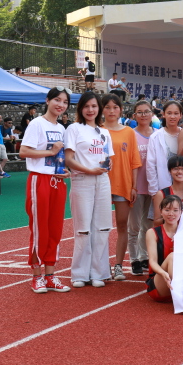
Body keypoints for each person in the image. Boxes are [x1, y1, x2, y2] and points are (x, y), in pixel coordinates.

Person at [19, 87, 72, 293]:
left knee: (55, 228)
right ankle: (37, 276)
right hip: (39, 180)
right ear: (48, 100)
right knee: (40, 228)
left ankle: (50, 275)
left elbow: (59, 157)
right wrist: (50, 152)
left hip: (57, 181)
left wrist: (64, 171)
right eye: (57, 100)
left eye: (65, 102)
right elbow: (24, 151)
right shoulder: (36, 123)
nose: (61, 105)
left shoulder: (62, 128)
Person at [64, 92, 115, 288]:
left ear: (99, 108)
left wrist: (106, 165)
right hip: (82, 180)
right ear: (80, 108)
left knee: (102, 227)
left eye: (94, 106)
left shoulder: (104, 132)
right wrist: (89, 170)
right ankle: (80, 273)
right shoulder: (74, 129)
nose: (90, 110)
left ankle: (99, 272)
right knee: (83, 228)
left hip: (102, 181)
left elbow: (108, 157)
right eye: (86, 106)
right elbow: (69, 160)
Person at [102, 93, 142, 282]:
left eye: (115, 107)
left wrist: (134, 186)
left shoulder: (129, 132)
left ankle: (118, 265)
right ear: (102, 110)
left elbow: (135, 162)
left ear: (120, 110)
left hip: (123, 184)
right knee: (100, 228)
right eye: (107, 107)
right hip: (100, 184)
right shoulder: (96, 130)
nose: (111, 111)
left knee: (121, 224)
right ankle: (100, 265)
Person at [128, 100, 156, 276]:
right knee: (134, 226)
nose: (144, 115)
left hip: (152, 187)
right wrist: (131, 186)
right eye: (140, 112)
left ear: (152, 114)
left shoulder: (158, 134)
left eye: (147, 111)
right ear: (134, 115)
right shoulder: (130, 134)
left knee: (148, 224)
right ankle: (134, 259)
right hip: (136, 187)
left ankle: (144, 255)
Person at [145, 195, 183, 304]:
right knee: (172, 257)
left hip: (181, 277)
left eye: (175, 210)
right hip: (159, 282)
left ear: (181, 212)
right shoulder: (152, 233)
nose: (171, 214)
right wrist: (163, 273)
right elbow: (152, 261)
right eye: (167, 210)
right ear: (161, 211)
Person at [147, 100, 183, 200]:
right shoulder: (155, 137)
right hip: (162, 186)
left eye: (176, 113)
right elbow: (151, 165)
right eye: (169, 113)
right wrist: (153, 191)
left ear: (181, 115)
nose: (172, 116)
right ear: (163, 114)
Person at [152, 156, 183, 226]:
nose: (180, 172)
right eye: (176, 168)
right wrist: (172, 215)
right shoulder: (161, 194)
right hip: (170, 232)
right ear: (169, 171)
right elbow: (156, 222)